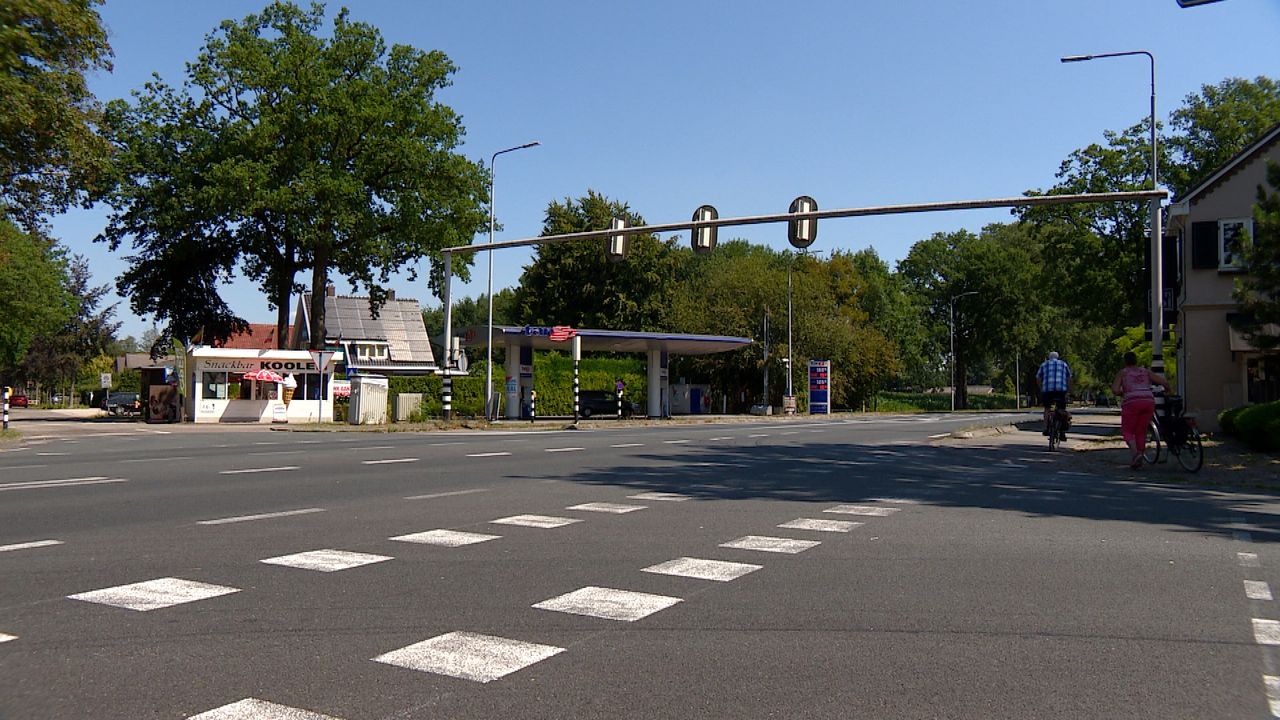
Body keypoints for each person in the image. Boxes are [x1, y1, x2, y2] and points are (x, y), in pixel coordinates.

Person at [1111, 351, 1170, 470]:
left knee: (1128, 430)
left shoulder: (1123, 373)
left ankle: (1136, 454)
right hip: (1148, 401)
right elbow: (1163, 382)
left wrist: (1124, 392)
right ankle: (1140, 456)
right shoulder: (1145, 371)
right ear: (1136, 360)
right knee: (1141, 430)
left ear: (1125, 361)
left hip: (1132, 402)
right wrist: (1169, 390)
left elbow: (1115, 390)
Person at [1036, 351, 1073, 439]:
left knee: (1047, 409)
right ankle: (1062, 432)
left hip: (1047, 391)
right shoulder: (1063, 364)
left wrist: (1041, 388)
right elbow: (1069, 377)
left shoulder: (1044, 365)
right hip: (1061, 390)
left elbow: (1037, 377)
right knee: (1062, 409)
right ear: (1058, 357)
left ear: (1049, 357)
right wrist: (1068, 389)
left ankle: (1046, 428)